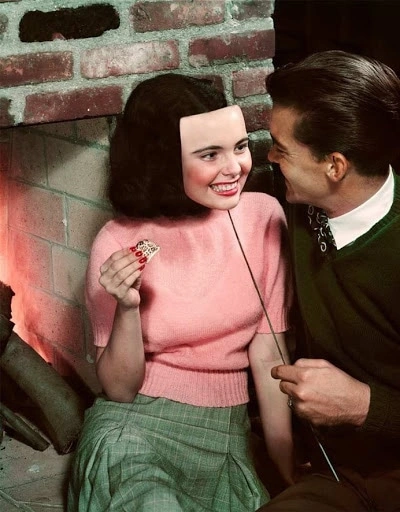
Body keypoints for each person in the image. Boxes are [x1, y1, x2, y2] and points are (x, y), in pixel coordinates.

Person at [68, 73, 294, 511]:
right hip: (134, 427)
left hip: (227, 433)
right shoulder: (116, 240)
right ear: (166, 161)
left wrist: (286, 472)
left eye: (240, 147)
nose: (234, 167)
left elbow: (270, 357)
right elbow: (119, 389)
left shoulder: (264, 218)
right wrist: (127, 308)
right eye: (210, 154)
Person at [257, 50, 400, 511]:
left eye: (281, 148)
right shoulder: (300, 199)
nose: (269, 157)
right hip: (335, 473)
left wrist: (362, 405)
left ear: (334, 167)